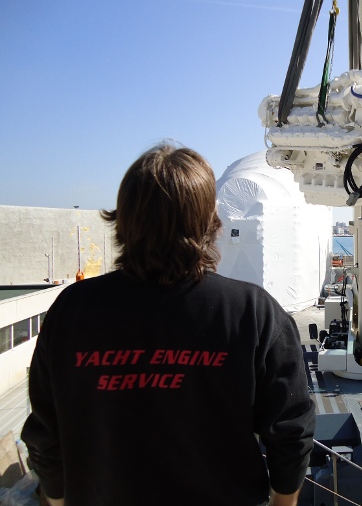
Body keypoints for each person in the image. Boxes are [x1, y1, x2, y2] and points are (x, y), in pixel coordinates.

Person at [21, 142, 315, 506]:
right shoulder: (253, 312)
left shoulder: (71, 310)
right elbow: (290, 430)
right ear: (210, 221)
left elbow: (45, 434)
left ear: (124, 220)